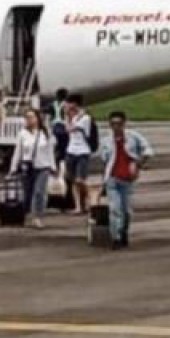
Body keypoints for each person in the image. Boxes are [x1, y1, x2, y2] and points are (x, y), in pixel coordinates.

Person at [97, 110, 154, 249]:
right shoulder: (106, 141)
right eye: (113, 124)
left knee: (127, 210)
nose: (116, 127)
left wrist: (138, 163)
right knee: (115, 209)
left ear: (124, 124)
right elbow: (105, 160)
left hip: (128, 179)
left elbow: (148, 150)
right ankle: (116, 237)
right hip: (112, 178)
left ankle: (124, 232)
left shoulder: (133, 137)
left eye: (119, 124)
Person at [8, 108, 55, 229]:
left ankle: (37, 216)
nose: (29, 120)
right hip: (27, 166)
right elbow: (18, 151)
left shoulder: (46, 133)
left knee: (39, 192)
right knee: (27, 192)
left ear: (38, 118)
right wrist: (13, 168)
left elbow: (50, 151)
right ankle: (26, 212)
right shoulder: (23, 134)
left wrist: (53, 166)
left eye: (31, 117)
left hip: (43, 166)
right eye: (27, 117)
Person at [63, 93, 95, 214]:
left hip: (82, 151)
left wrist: (67, 116)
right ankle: (78, 206)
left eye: (69, 103)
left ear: (75, 104)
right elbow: (68, 130)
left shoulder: (85, 118)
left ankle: (91, 197)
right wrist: (68, 117)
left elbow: (71, 128)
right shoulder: (74, 117)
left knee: (80, 179)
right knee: (72, 179)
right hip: (71, 150)